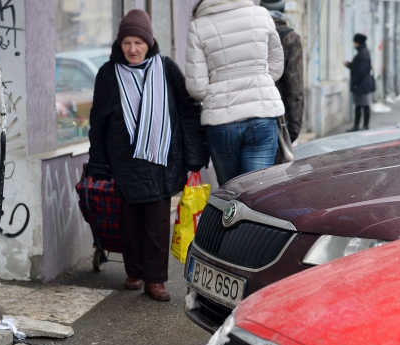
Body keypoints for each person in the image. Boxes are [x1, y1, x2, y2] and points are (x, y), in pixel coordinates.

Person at [87, 10, 208, 301]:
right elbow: (98, 122)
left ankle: (155, 279)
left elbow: (188, 111)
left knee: (156, 222)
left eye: (138, 42)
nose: (132, 49)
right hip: (124, 159)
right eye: (127, 42)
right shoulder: (108, 74)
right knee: (129, 221)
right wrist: (99, 162)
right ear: (119, 44)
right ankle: (135, 271)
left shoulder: (166, 69)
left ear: (149, 42)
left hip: (163, 157)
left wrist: (193, 155)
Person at [186, 0, 285, 186]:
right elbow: (277, 66)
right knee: (257, 192)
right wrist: (259, 80)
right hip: (261, 112)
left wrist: (217, 90)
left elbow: (197, 88)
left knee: (230, 195)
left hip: (221, 120)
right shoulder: (262, 15)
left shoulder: (198, 26)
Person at [261, 0, 304, 143]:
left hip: (248, 115)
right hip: (280, 117)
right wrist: (294, 127)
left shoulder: (251, 34)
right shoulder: (290, 38)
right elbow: (295, 84)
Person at [344, 33, 374, 132]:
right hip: (362, 84)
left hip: (361, 85)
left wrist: (355, 83)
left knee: (362, 106)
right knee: (360, 105)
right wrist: (350, 65)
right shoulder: (363, 52)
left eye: (355, 42)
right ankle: (360, 126)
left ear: (358, 43)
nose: (353, 44)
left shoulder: (363, 54)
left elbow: (361, 71)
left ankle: (362, 126)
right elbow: (360, 67)